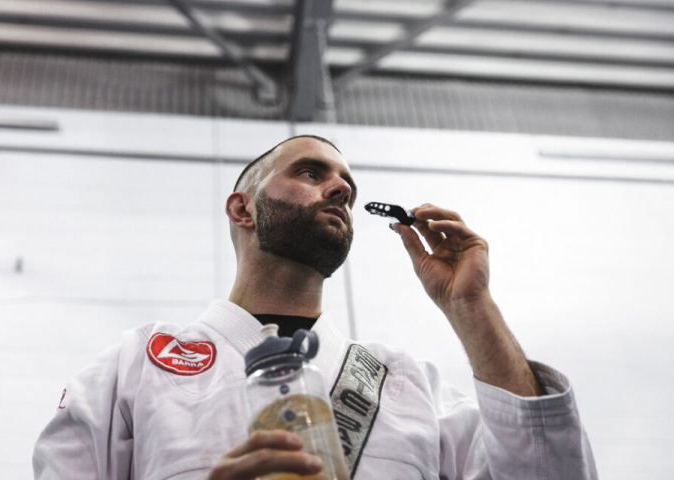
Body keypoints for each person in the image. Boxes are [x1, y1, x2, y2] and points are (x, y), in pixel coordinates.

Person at [33, 135, 598, 479]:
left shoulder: (409, 387)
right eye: (311, 172)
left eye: (346, 184)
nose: (340, 190)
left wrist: (472, 307)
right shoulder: (135, 369)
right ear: (243, 209)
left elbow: (550, 473)